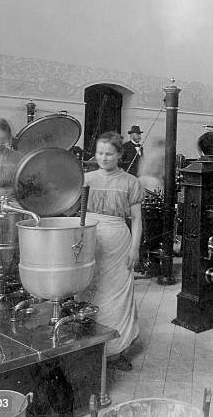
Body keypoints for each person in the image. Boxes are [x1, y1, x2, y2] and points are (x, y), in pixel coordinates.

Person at [79, 131, 143, 371]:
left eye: (109, 153)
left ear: (119, 155)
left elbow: (136, 219)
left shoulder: (130, 182)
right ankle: (89, 348)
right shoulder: (85, 178)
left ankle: (116, 351)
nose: (103, 158)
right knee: (88, 292)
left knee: (117, 296)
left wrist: (135, 248)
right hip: (89, 239)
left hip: (118, 242)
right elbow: (76, 212)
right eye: (99, 153)